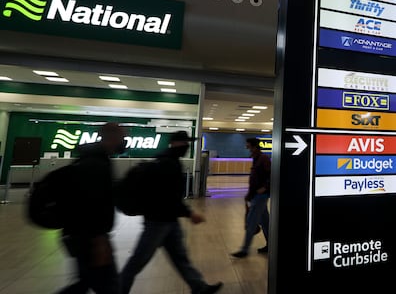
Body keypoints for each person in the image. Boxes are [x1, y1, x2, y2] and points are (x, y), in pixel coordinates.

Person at [119, 131, 222, 294]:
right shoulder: (168, 164)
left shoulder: (167, 160)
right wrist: (190, 213)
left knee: (180, 257)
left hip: (168, 220)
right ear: (175, 143)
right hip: (158, 221)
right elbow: (168, 197)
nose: (187, 146)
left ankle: (198, 286)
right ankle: (118, 289)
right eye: (184, 142)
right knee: (139, 260)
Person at [60, 122, 126, 294]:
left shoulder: (92, 158)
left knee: (84, 283)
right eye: (122, 137)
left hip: (81, 235)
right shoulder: (96, 164)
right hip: (89, 238)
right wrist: (99, 241)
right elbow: (91, 204)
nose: (124, 142)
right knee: (108, 286)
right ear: (111, 138)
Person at [231, 138, 271, 258]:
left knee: (251, 222)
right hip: (255, 195)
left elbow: (271, 174)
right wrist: (249, 195)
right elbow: (254, 179)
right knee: (265, 222)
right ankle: (272, 246)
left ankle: (244, 250)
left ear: (254, 146)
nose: (247, 148)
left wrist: (265, 187)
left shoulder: (263, 158)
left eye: (248, 146)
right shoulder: (256, 158)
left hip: (261, 196)